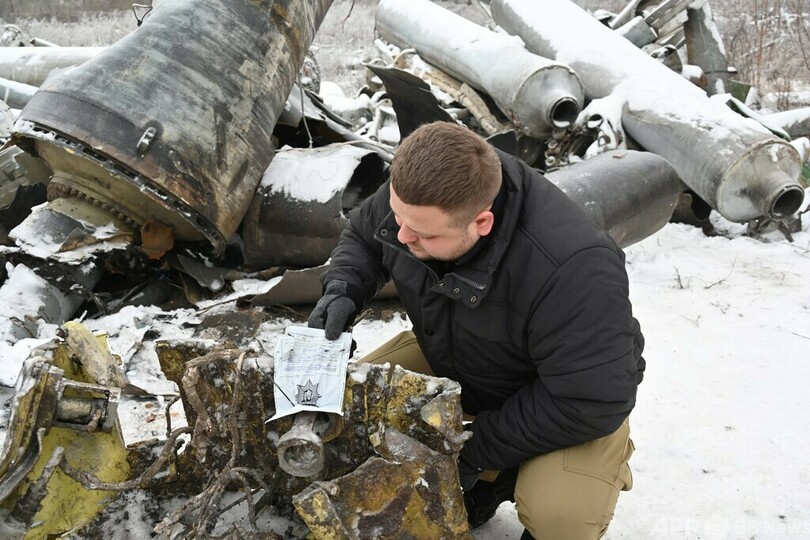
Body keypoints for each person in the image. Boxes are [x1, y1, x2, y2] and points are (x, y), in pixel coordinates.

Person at [308, 121, 645, 540]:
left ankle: (509, 475)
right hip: (457, 354)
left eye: (424, 234)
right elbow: (364, 235)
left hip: (562, 401)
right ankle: (486, 483)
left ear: (482, 222)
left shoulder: (575, 268)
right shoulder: (422, 194)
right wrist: (343, 288)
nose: (400, 235)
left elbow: (589, 398)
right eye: (398, 217)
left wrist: (470, 453)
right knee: (345, 409)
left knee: (561, 516)